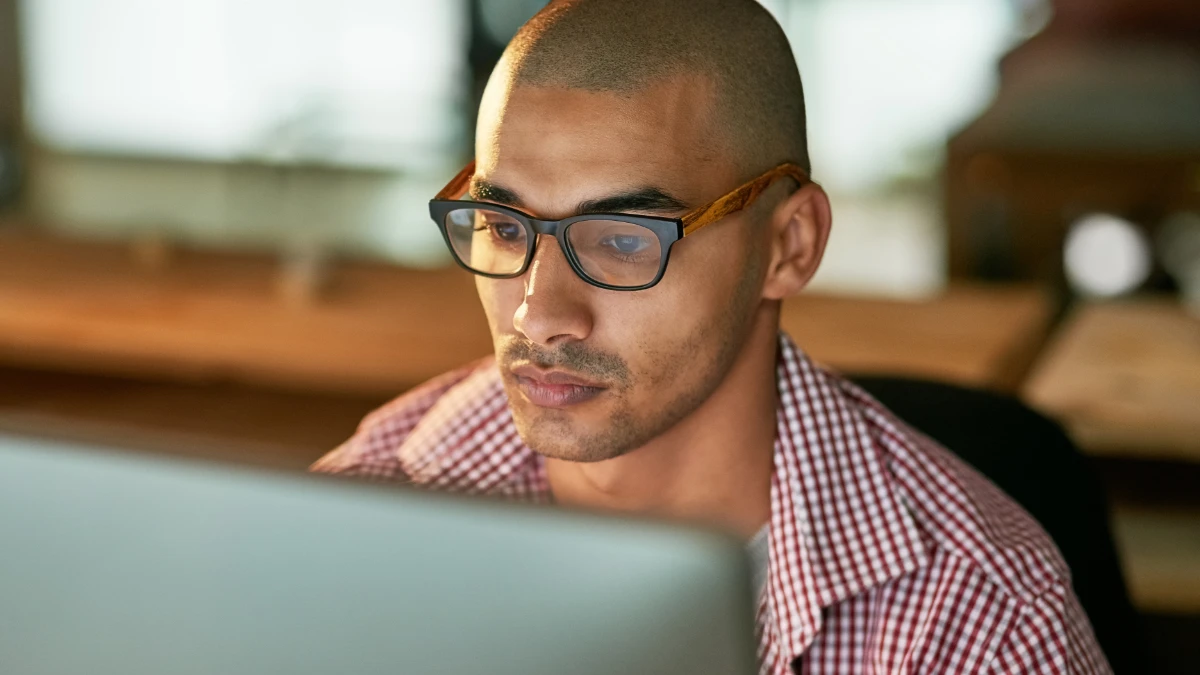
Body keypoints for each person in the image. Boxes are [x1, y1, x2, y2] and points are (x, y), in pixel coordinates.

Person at [313, 1, 1110, 672]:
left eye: (623, 237)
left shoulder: (980, 619)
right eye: (500, 223)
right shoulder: (344, 530)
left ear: (789, 245)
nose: (539, 313)